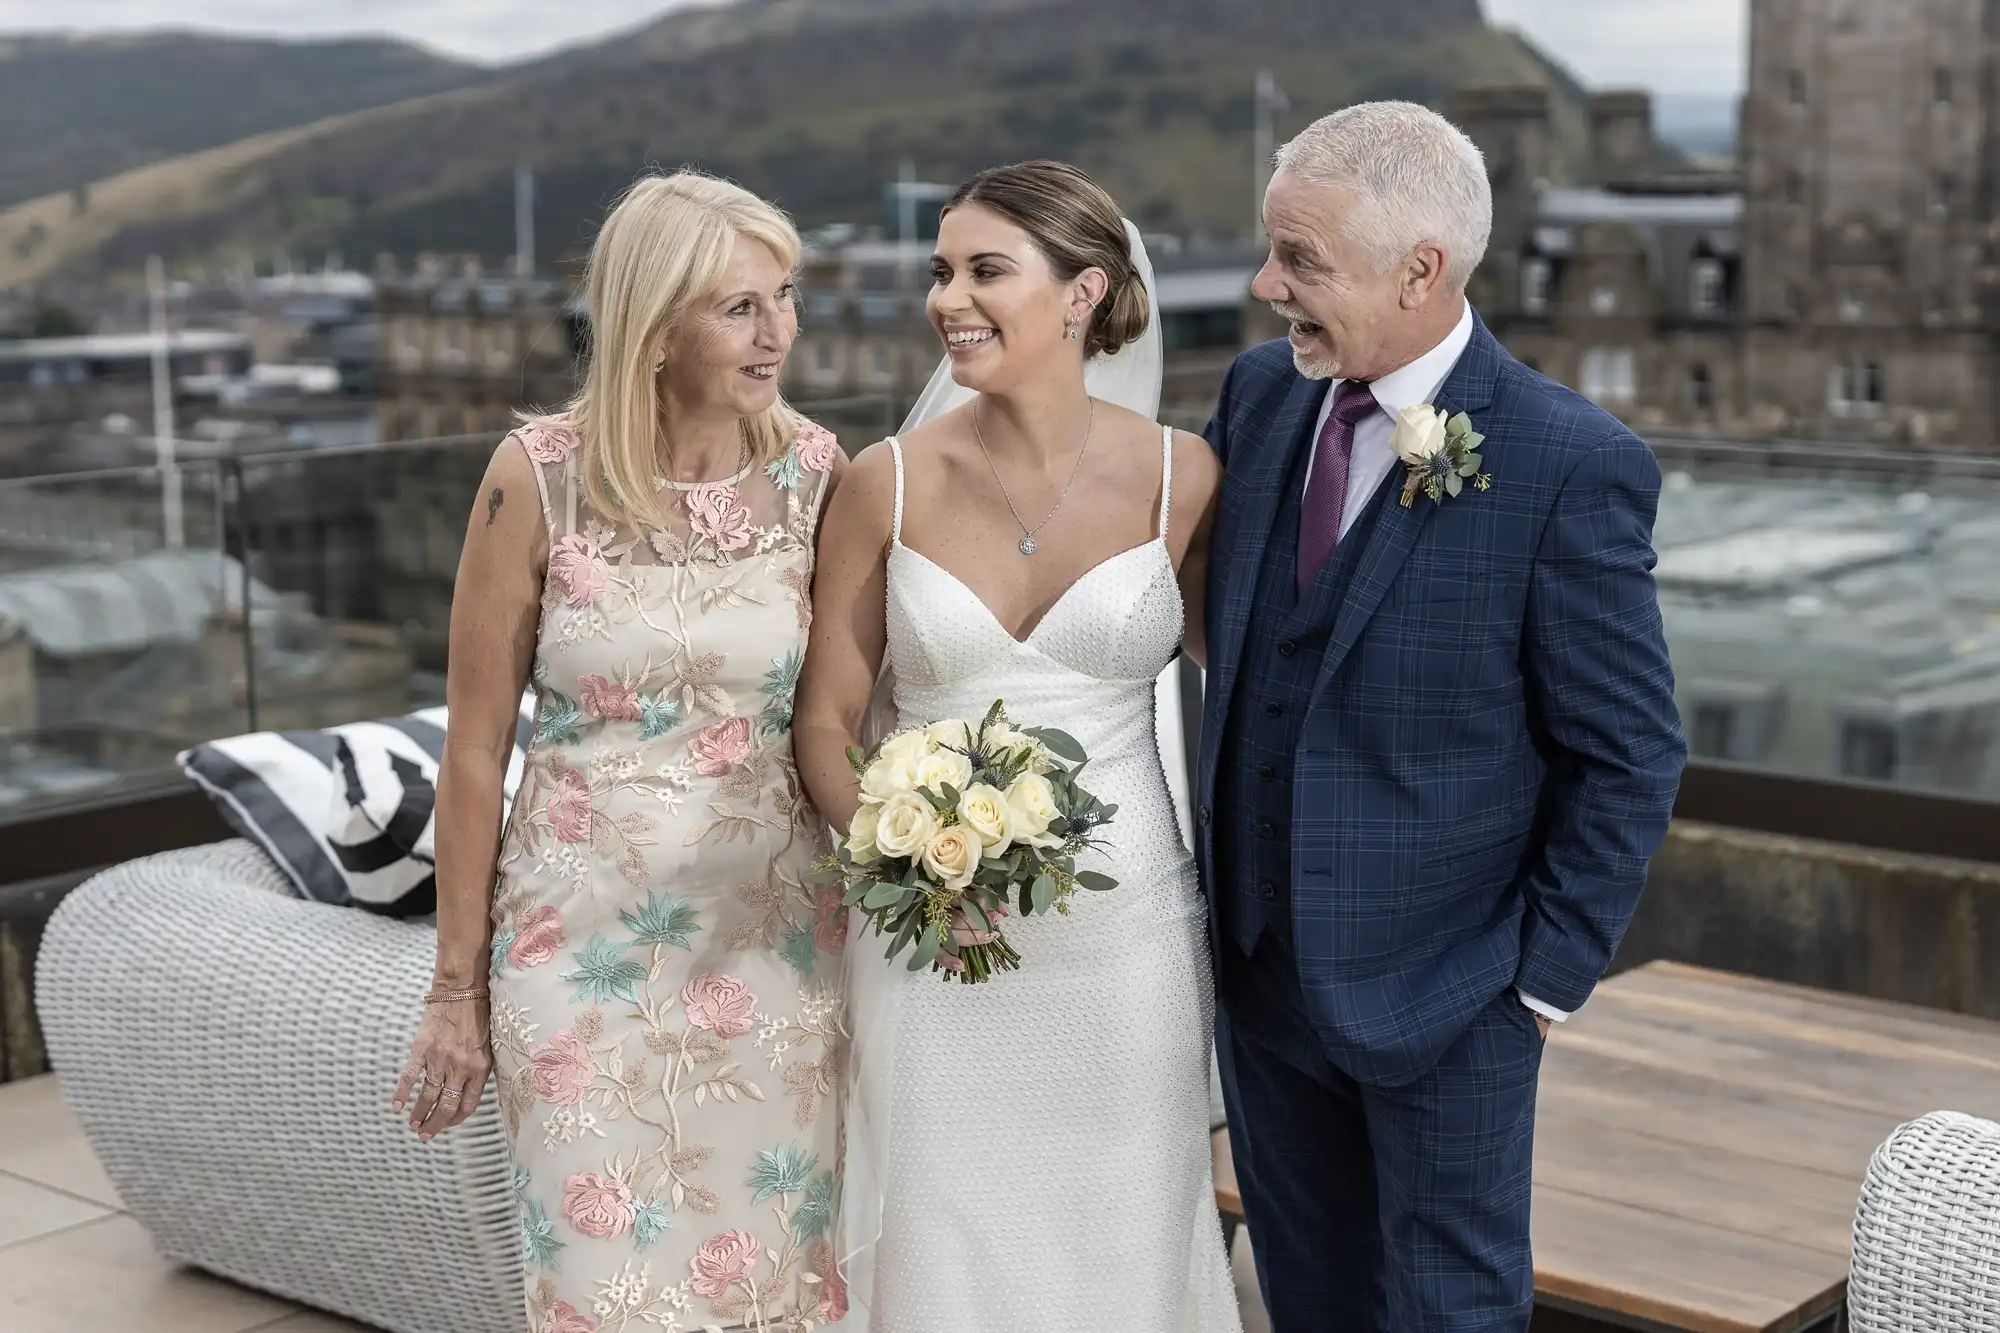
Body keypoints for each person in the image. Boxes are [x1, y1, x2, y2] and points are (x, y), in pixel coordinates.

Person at [1197, 101, 1687, 1332]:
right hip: (1258, 982)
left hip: (1450, 1001)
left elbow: (1627, 751)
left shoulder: (1569, 461)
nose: (1267, 286)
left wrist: (1534, 984)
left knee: (1448, 1312)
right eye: (1272, 249)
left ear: (1421, 269)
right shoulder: (1257, 398)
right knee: (1307, 1301)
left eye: (1300, 260)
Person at [391, 170, 852, 1333]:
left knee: (771, 1283)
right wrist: (455, 989)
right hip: (572, 950)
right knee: (601, 1288)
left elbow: (846, 721)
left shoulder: (818, 478)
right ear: (654, 324)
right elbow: (475, 748)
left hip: (772, 951)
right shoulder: (537, 476)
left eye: (784, 296)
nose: (778, 330)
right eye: (741, 306)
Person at [793, 159, 1240, 1332]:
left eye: (986, 269)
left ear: (1084, 293)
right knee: (944, 1233)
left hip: (1127, 940)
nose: (949, 299)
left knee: (1123, 1231)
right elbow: (827, 721)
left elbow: (1255, 683)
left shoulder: (1181, 476)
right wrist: (902, 864)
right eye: (940, 272)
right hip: (934, 946)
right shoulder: (880, 484)